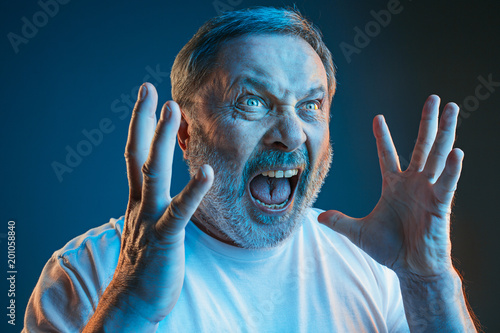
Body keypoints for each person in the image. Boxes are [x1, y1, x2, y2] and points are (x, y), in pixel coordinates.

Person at [24, 7, 478, 332]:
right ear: (186, 133)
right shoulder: (88, 272)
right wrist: (132, 306)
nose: (292, 134)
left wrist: (429, 281)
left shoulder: (379, 269)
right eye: (253, 102)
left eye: (310, 106)